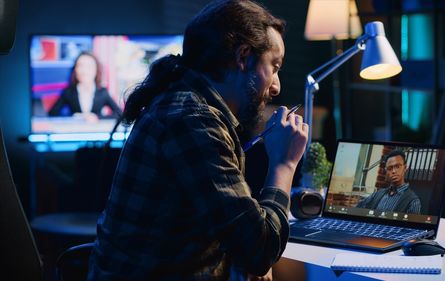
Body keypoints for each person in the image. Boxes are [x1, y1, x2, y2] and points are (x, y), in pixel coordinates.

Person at [87, 0, 308, 280]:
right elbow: (259, 251)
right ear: (243, 57)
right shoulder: (194, 121)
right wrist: (284, 163)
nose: (276, 86)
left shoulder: (184, 104)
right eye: (274, 67)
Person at [48, 51, 122, 120]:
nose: (84, 70)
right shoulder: (68, 92)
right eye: (80, 66)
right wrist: (73, 118)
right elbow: (52, 114)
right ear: (75, 70)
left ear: (96, 70)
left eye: (89, 66)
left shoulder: (102, 92)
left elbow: (119, 114)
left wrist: (98, 117)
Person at [356, 149, 422, 214]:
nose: (393, 171)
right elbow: (358, 207)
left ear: (405, 168)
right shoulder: (378, 193)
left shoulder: (413, 201)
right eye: (389, 168)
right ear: (386, 171)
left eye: (397, 166)